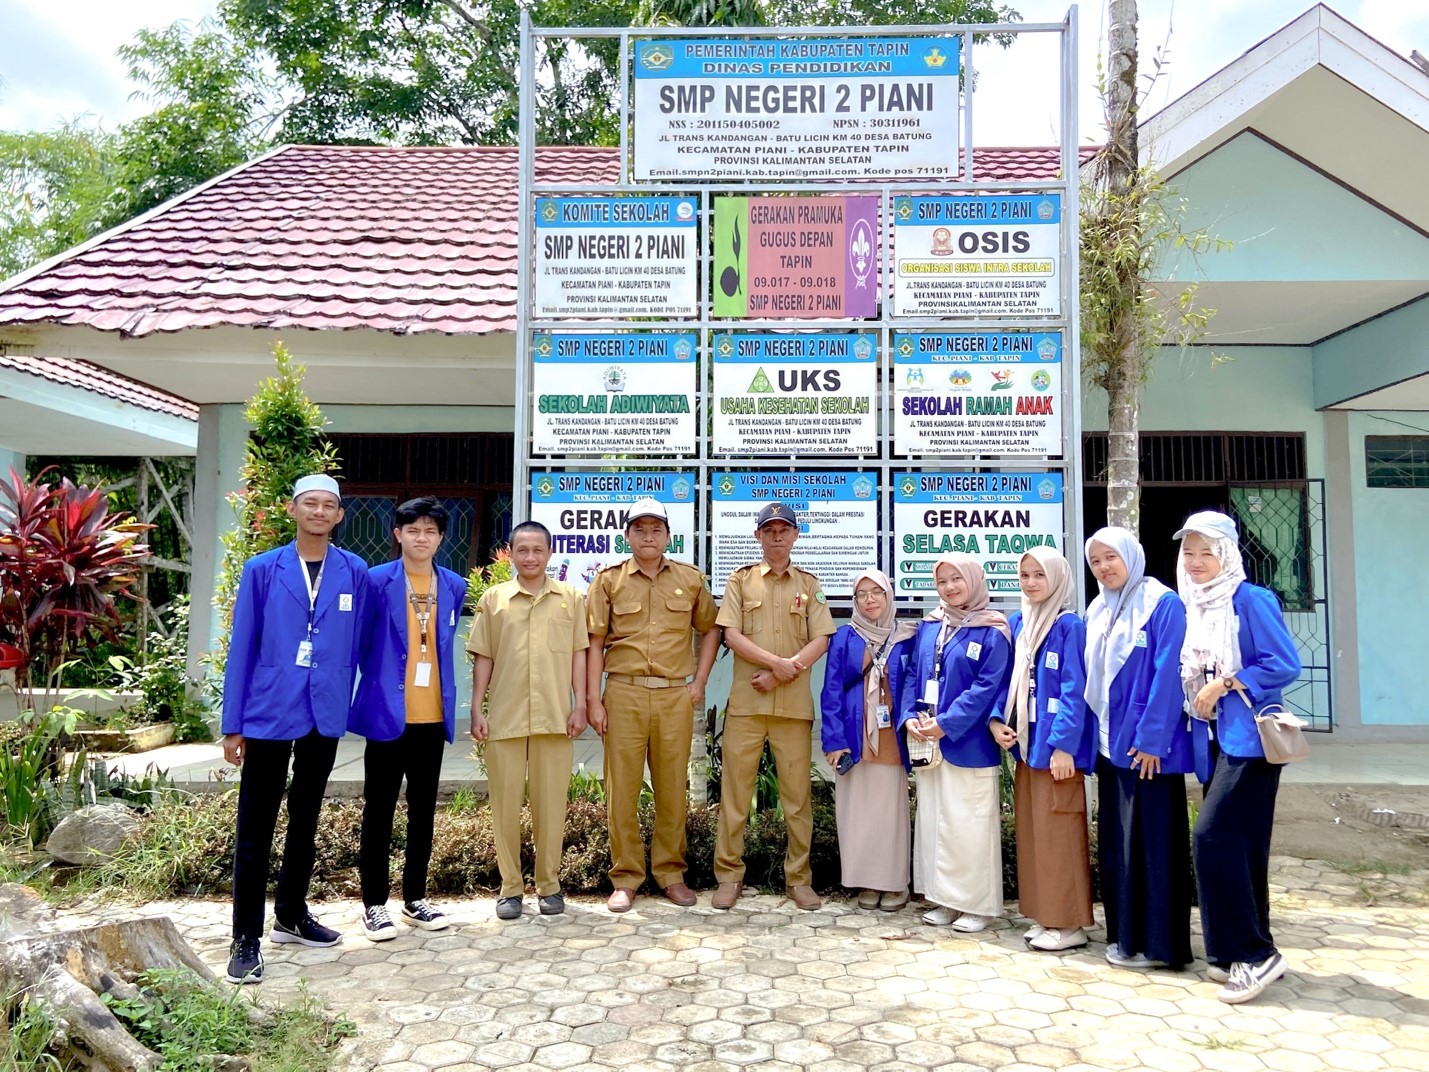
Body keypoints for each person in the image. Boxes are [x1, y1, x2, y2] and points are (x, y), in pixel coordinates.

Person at [220, 474, 369, 984]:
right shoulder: (264, 569)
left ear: (340, 515)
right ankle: (245, 938)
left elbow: (360, 643)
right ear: (294, 509)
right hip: (268, 710)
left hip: (323, 711)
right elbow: (242, 646)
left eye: (330, 505)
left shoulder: (353, 570)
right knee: (256, 824)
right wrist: (232, 724)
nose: (320, 512)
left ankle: (291, 913)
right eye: (311, 503)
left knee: (306, 817)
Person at [1176, 510, 1302, 1004]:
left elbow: (1283, 662)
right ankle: (1238, 952)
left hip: (1251, 742)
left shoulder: (1250, 599)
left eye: (1208, 551)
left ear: (1228, 554)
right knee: (1244, 848)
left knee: (1210, 837)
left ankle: (1254, 955)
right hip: (1215, 740)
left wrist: (1227, 682)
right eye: (1189, 551)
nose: (1197, 561)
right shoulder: (1196, 605)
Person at [585, 497, 720, 912]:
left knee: (671, 787)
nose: (648, 536)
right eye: (640, 529)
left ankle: (670, 873)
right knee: (621, 789)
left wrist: (699, 682)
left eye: (656, 529)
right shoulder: (608, 580)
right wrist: (593, 698)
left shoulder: (690, 579)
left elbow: (711, 629)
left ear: (667, 535)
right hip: (622, 692)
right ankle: (625, 877)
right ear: (627, 535)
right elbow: (593, 641)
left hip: (673, 695)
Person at [350, 497, 469, 940]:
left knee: (423, 810)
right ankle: (374, 904)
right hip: (387, 714)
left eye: (431, 531)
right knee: (378, 809)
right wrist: (380, 683)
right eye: (413, 530)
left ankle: (415, 898)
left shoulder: (453, 585)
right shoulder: (375, 581)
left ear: (441, 538)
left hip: (433, 716)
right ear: (398, 534)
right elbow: (360, 643)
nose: (422, 538)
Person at [713, 502, 837, 912]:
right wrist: (777, 665)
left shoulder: (810, 584)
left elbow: (821, 638)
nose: (777, 537)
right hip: (748, 705)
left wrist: (786, 671)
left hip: (793, 709)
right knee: (735, 794)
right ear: (758, 537)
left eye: (784, 530)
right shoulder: (741, 581)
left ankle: (799, 880)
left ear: (796, 535)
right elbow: (731, 635)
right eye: (769, 531)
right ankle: (729, 877)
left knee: (797, 799)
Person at [1084, 526, 1193, 972]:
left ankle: (1160, 945)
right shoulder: (1099, 609)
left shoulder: (1162, 604)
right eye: (1096, 561)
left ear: (1132, 555)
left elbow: (1169, 674)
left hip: (1148, 752)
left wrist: (1152, 741)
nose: (1105, 567)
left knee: (1153, 845)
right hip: (1113, 749)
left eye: (1112, 557)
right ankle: (1127, 937)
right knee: (1120, 845)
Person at [467, 520, 588, 920]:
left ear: (550, 553)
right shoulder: (495, 599)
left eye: (538, 550)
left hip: (555, 717)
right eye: (523, 550)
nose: (531, 557)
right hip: (505, 716)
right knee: (504, 805)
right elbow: (484, 655)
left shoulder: (570, 597)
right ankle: (510, 889)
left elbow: (578, 655)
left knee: (551, 805)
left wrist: (581, 703)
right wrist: (476, 707)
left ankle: (550, 886)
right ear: (511, 552)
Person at [900, 552, 1012, 932]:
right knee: (935, 822)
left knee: (970, 825)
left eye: (956, 579)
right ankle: (943, 899)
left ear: (974, 580)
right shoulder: (932, 625)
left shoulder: (993, 629)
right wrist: (909, 716)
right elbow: (915, 672)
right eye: (942, 581)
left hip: (969, 743)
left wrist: (946, 724)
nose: (949, 588)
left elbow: (987, 686)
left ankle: (977, 906)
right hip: (929, 742)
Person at [990, 548, 1094, 951]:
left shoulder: (1070, 626)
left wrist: (1065, 746)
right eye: (1025, 575)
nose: (1031, 583)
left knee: (1060, 833)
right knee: (1035, 833)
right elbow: (1005, 681)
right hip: (1027, 748)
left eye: (1039, 575)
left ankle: (1069, 924)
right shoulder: (1020, 622)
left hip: (1055, 752)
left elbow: (1075, 690)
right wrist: (998, 721)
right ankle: (1045, 915)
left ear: (1058, 579)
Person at [819, 569, 917, 911]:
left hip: (891, 737)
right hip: (853, 736)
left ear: (889, 597)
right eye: (862, 594)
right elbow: (831, 689)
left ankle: (893, 884)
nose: (870, 599)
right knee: (857, 810)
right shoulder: (845, 636)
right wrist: (833, 741)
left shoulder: (908, 636)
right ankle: (865, 881)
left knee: (890, 811)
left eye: (877, 592)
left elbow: (916, 685)